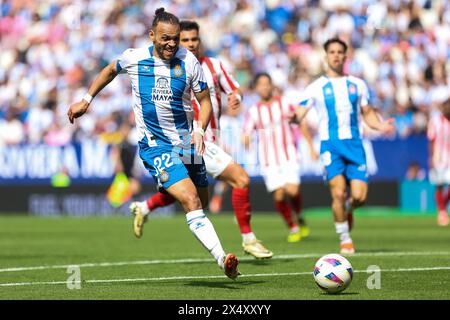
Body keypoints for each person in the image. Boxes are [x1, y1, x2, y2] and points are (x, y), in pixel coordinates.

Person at [67, 8, 240, 279]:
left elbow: (205, 101)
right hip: (155, 144)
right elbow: (111, 69)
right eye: (165, 38)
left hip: (186, 142)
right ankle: (223, 259)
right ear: (152, 36)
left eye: (175, 38)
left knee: (200, 202)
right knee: (191, 199)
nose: (171, 44)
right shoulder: (135, 58)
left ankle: (144, 207)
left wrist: (198, 130)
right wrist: (86, 101)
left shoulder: (189, 62)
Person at [129, 20, 273, 259]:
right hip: (191, 140)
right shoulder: (172, 64)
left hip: (209, 139)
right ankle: (248, 239)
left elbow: (233, 89)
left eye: (194, 39)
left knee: (190, 193)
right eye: (185, 40)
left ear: (200, 40)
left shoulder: (214, 66)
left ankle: (144, 207)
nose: (190, 44)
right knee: (239, 179)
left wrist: (235, 97)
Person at [293, 37, 395, 254]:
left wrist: (381, 126)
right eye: (332, 52)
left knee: (359, 197)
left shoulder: (358, 85)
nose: (336, 55)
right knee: (337, 193)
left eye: (340, 52)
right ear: (326, 56)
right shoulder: (316, 87)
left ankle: (347, 208)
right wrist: (293, 118)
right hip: (331, 146)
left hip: (355, 146)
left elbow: (368, 114)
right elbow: (300, 112)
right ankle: (345, 239)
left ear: (345, 56)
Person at [243, 73, 317, 243]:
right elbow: (246, 131)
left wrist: (311, 147)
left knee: (293, 191)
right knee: (279, 195)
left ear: (272, 85)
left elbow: (300, 123)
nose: (264, 87)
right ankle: (293, 227)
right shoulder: (253, 111)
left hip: (288, 154)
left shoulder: (284, 104)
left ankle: (299, 214)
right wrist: (245, 139)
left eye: (267, 83)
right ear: (256, 88)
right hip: (268, 159)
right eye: (260, 84)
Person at [428, 96, 450, 226]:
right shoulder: (436, 121)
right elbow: (431, 140)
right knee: (440, 185)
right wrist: (431, 157)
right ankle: (442, 211)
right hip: (439, 158)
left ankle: (442, 208)